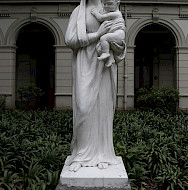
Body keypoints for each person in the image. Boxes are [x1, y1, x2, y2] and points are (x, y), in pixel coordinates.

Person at [64, 0, 126, 172]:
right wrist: (97, 34)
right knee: (84, 107)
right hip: (85, 62)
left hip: (104, 64)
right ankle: (81, 155)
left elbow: (121, 42)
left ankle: (103, 154)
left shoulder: (109, 8)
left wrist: (116, 44)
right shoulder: (79, 11)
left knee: (103, 108)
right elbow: (70, 40)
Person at [90, 0, 125, 67]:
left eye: (109, 4)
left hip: (119, 34)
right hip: (117, 34)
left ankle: (105, 53)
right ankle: (110, 59)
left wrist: (95, 13)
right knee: (106, 44)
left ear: (117, 4)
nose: (106, 6)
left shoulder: (116, 14)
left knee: (104, 38)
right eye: (104, 4)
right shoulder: (111, 12)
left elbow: (100, 18)